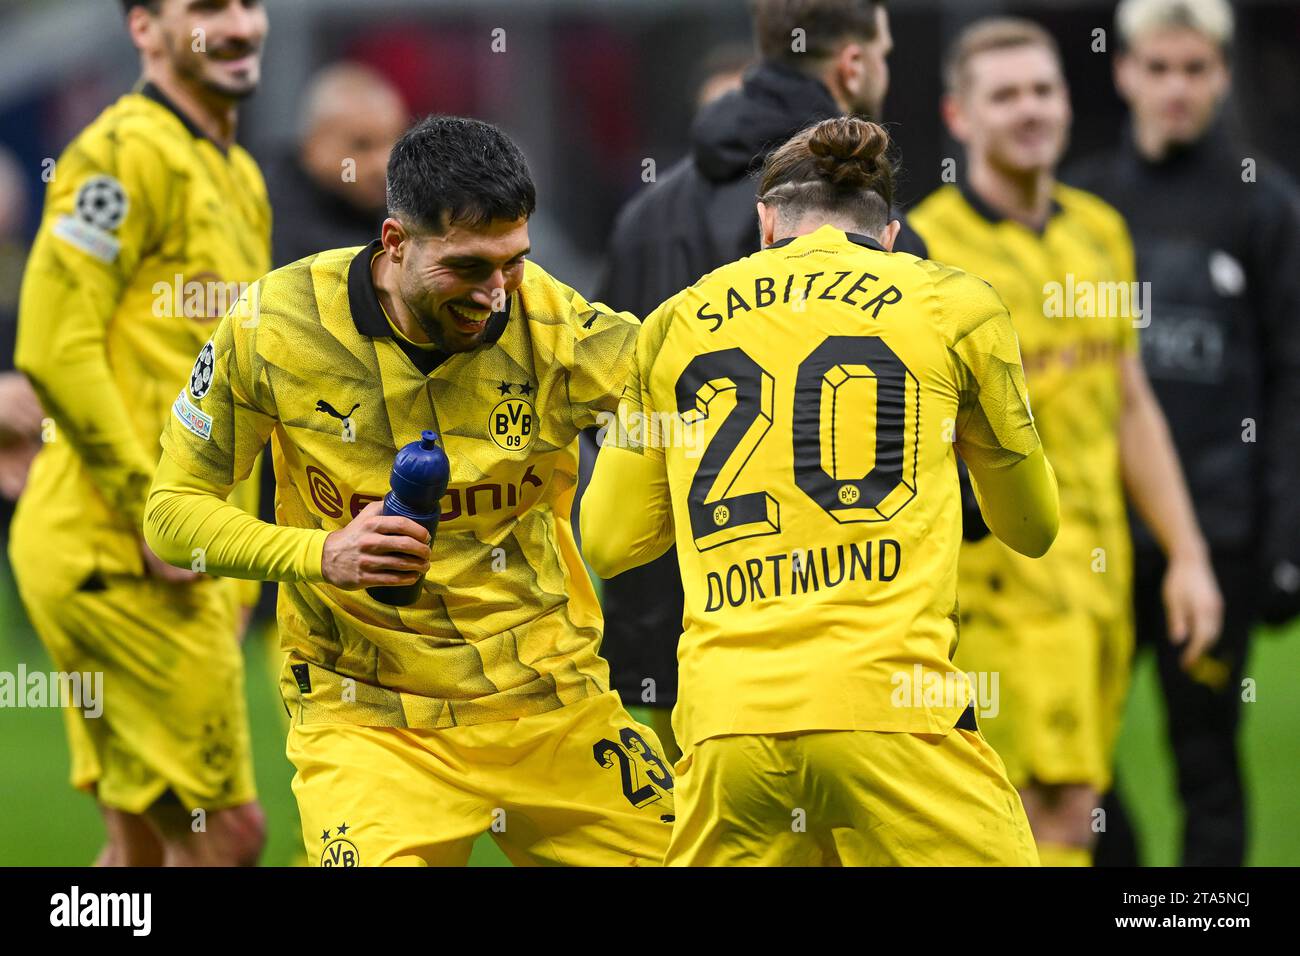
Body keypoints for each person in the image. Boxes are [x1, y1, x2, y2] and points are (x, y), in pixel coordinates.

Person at [143, 116, 676, 867]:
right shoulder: (275, 325)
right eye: (467, 268)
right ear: (395, 241)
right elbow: (170, 514)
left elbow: (691, 410)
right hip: (365, 716)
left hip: (550, 703)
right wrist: (324, 553)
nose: (496, 294)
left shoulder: (559, 329)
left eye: (513, 262)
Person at [583, 116, 1056, 866]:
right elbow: (1033, 527)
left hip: (728, 728)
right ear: (891, 233)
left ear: (765, 223)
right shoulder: (960, 306)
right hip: (896, 719)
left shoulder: (672, 325)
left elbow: (608, 544)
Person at [910, 17, 1222, 867]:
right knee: (1032, 815)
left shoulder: (1100, 231)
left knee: (1068, 811)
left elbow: (1129, 403)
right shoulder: (928, 252)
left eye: (1043, 89)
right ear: (959, 117)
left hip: (1097, 583)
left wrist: (1187, 554)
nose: (1030, 110)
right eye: (1004, 95)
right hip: (991, 591)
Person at [594, 0, 925, 761]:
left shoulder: (643, 215)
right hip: (837, 627)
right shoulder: (871, 228)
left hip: (671, 621)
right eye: (884, 47)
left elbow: (607, 414)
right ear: (851, 64)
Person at [10, 0, 270, 867]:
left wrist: (234, 574)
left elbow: (235, 380)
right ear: (143, 30)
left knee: (142, 852)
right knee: (226, 836)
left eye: (248, 3)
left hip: (166, 558)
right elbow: (53, 338)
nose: (238, 25)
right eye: (205, 8)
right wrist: (149, 510)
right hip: (119, 553)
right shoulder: (119, 156)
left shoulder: (238, 176)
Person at [1068, 0, 1300, 866]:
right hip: (1096, 537)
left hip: (1218, 536)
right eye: (1158, 69)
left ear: (1223, 75)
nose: (1175, 89)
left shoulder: (1268, 208)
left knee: (1207, 762)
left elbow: (1290, 382)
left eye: (1195, 70)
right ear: (1125, 72)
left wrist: (1283, 534)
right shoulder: (1083, 205)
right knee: (1073, 757)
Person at [267, 62, 409, 268]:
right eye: (362, 145)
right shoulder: (264, 219)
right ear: (314, 143)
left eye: (395, 144)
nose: (383, 164)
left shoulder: (403, 215)